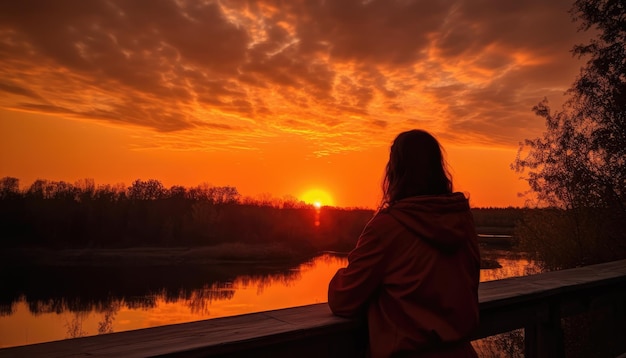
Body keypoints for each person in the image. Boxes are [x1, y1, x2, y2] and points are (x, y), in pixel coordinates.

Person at [328, 129, 480, 357]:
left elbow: (344, 299)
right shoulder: (462, 221)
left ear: (395, 171)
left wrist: (345, 277)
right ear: (438, 170)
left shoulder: (386, 227)